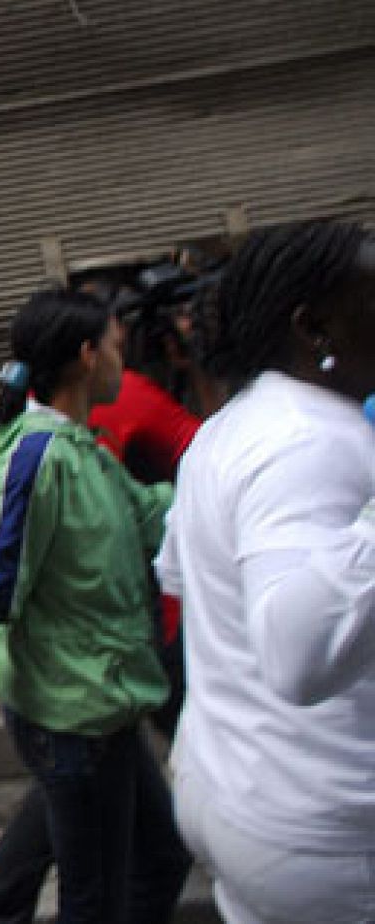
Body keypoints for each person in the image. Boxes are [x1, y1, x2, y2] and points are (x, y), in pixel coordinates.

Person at [0, 289, 191, 924]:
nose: (121, 366)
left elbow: (154, 514)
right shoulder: (38, 458)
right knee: (96, 900)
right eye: (115, 351)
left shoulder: (86, 453)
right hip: (73, 720)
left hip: (103, 707)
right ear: (85, 356)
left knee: (159, 857)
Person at [155, 220, 375, 924]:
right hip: (330, 838)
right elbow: (299, 654)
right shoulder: (304, 442)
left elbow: (180, 580)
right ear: (315, 329)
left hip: (235, 794)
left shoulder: (230, 429)